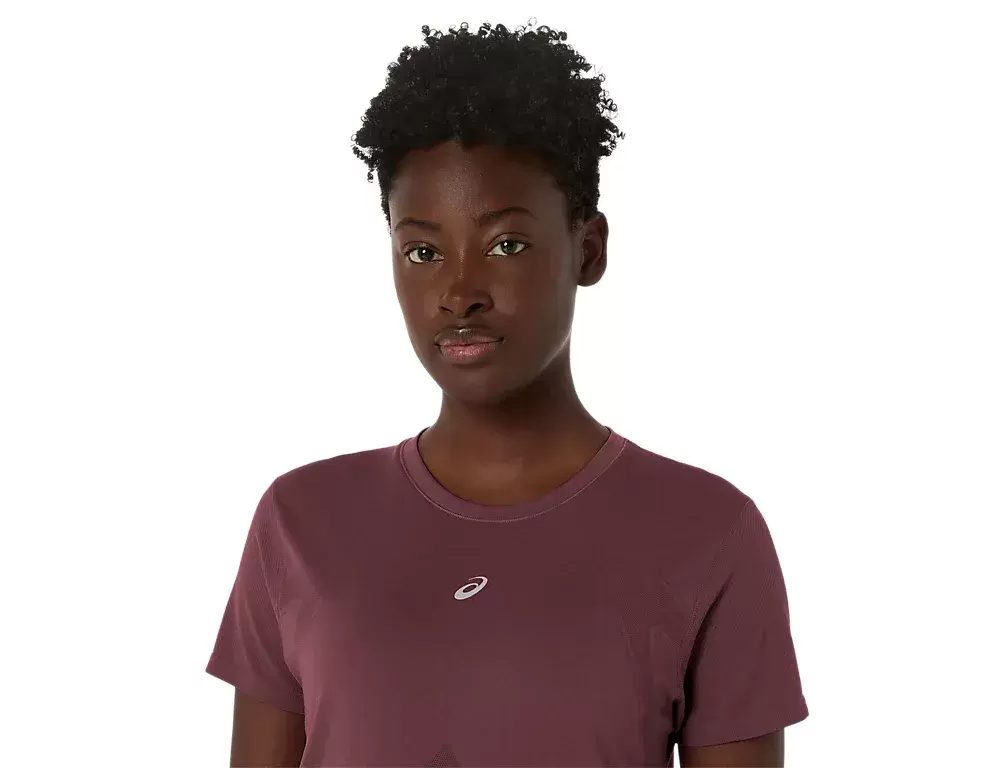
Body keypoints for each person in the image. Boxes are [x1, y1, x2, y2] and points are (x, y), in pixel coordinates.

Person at [205, 19, 809, 767]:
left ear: (589, 249)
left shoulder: (708, 533)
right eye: (422, 251)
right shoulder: (300, 522)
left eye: (506, 245)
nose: (459, 292)